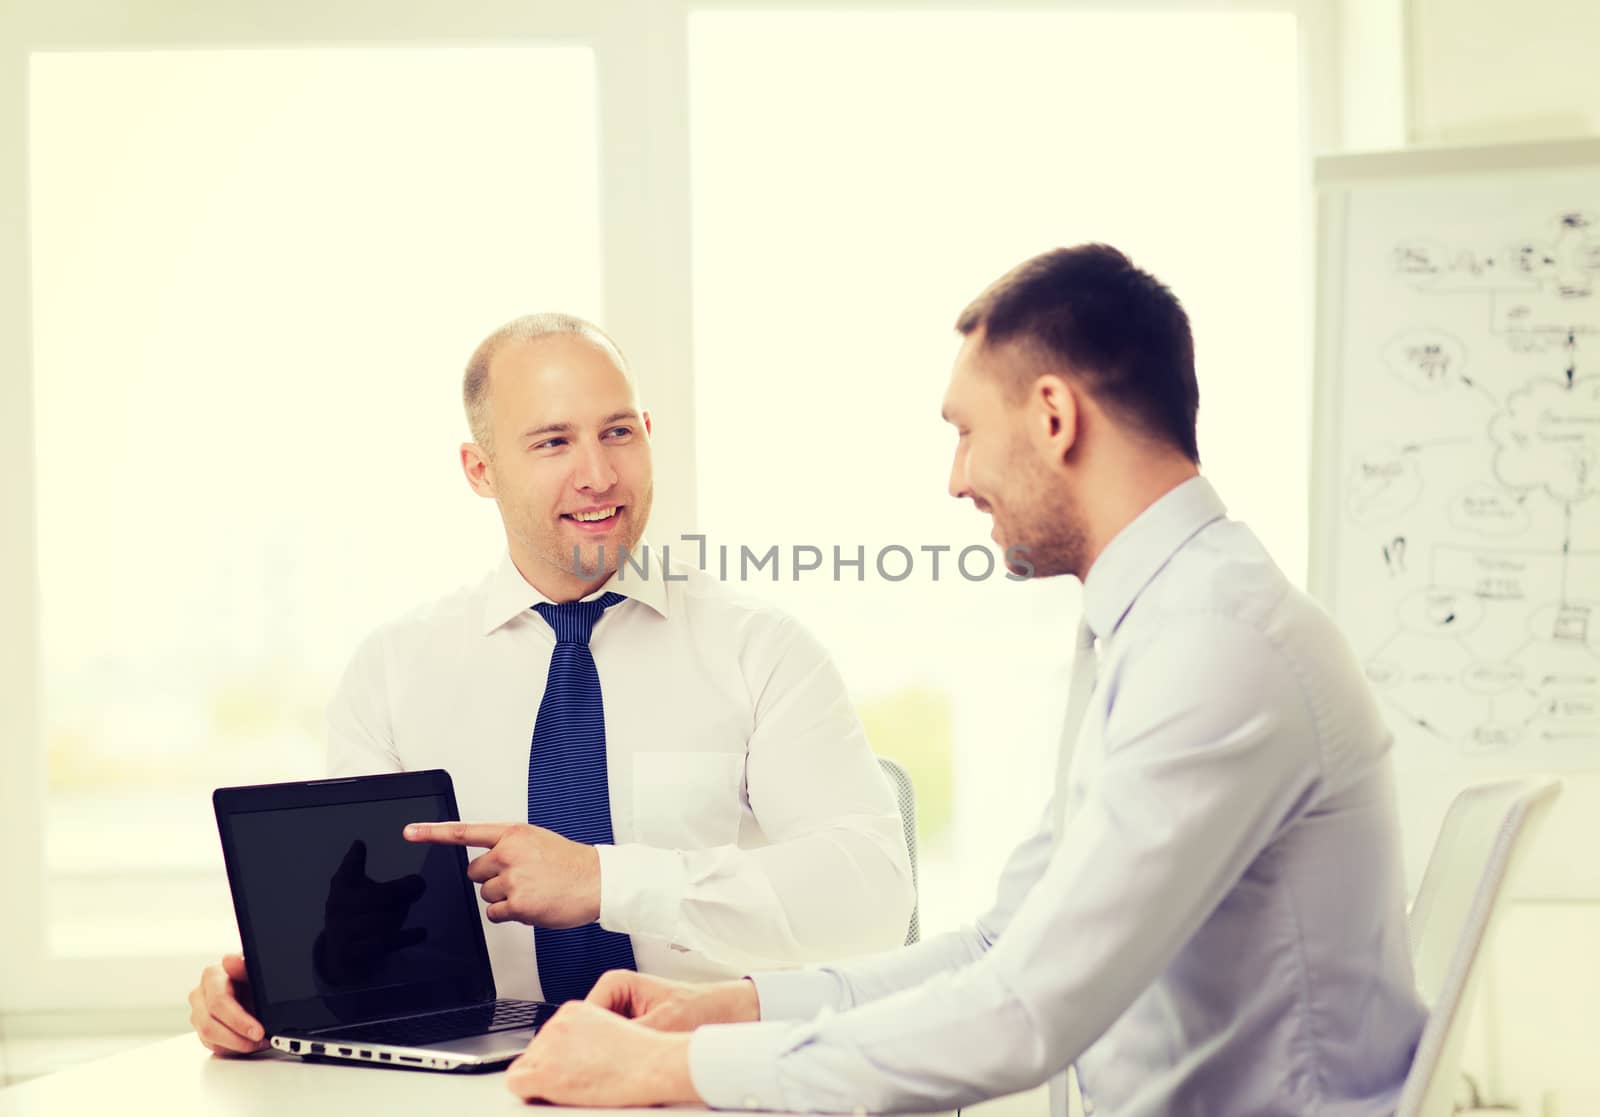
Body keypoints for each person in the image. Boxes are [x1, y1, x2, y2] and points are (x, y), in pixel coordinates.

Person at [500, 246, 1429, 1116]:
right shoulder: (1160, 625)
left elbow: (1026, 1015)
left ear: (1055, 418)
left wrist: (669, 1068)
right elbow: (1002, 945)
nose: (957, 479)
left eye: (966, 431)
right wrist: (736, 1008)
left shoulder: (1217, 647)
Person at [187, 314, 914, 1055]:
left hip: (706, 1077)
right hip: (487, 1090)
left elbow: (877, 897)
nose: (598, 474)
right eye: (554, 442)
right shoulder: (392, 673)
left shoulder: (761, 651)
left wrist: (608, 880)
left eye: (620, 432)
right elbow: (368, 934)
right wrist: (289, 986)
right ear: (480, 469)